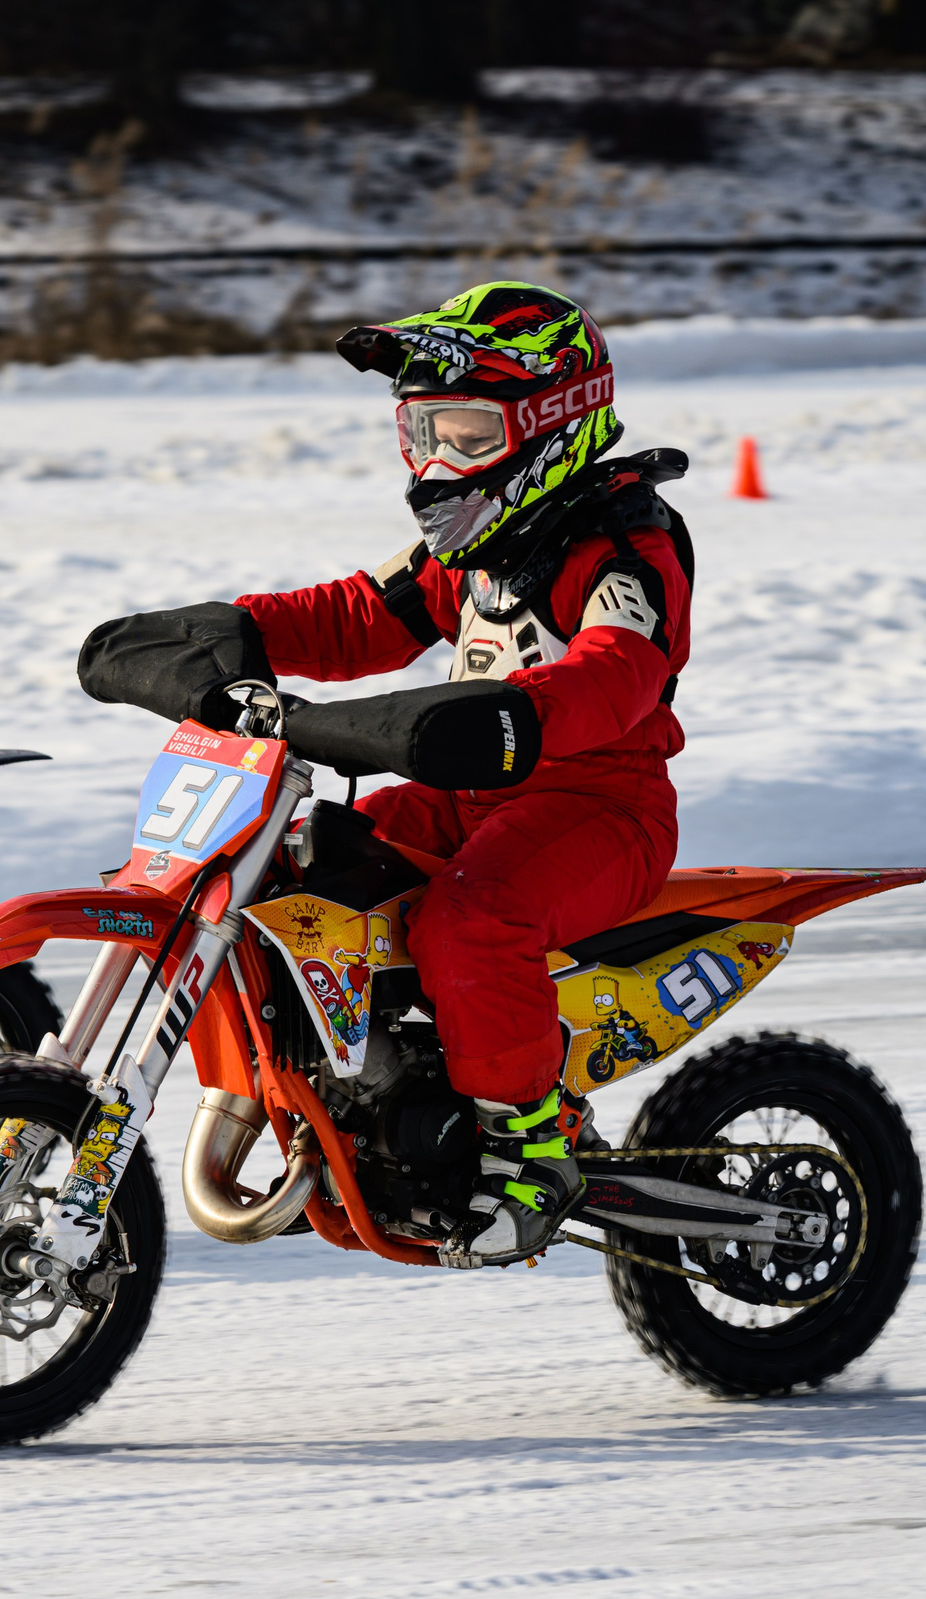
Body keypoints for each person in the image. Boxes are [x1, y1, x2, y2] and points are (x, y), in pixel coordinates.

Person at [236, 281, 693, 1266]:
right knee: (297, 861)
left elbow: (616, 670)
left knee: (470, 916)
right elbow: (358, 616)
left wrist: (513, 714)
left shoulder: (624, 545)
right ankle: (365, 1092)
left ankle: (531, 1150)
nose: (439, 462)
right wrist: (226, 631)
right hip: (468, 789)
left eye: (468, 434)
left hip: (599, 804)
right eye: (425, 433)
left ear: (554, 422)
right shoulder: (477, 547)